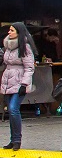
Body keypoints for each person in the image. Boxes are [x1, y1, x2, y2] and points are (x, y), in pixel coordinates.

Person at [2, 22, 35, 151]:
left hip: (19, 80)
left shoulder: (25, 47)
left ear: (18, 32)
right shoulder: (7, 46)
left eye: (12, 30)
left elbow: (29, 67)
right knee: (10, 111)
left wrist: (24, 84)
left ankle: (17, 140)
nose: (9, 32)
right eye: (9, 30)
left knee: (13, 109)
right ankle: (12, 139)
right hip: (7, 81)